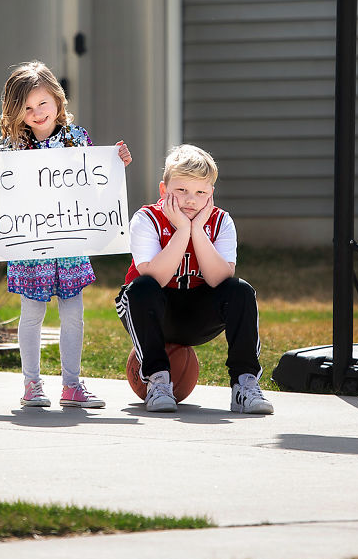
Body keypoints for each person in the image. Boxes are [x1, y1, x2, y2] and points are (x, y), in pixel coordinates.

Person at [0, 60, 131, 410]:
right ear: (16, 112)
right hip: (29, 245)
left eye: (42, 103)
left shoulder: (77, 140)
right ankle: (31, 384)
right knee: (32, 314)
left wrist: (117, 162)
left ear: (57, 100)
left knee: (73, 314)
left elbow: (98, 181)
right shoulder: (14, 149)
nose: (37, 113)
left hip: (71, 242)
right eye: (27, 108)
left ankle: (72, 385)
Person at [115, 143, 273, 415]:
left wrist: (196, 230)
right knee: (141, 287)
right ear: (163, 190)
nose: (191, 200)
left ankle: (244, 384)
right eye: (181, 190)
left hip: (198, 314)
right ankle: (157, 380)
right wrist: (181, 231)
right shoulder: (146, 218)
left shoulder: (221, 221)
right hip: (153, 312)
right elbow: (156, 276)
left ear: (211, 194)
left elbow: (219, 278)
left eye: (201, 192)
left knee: (241, 291)